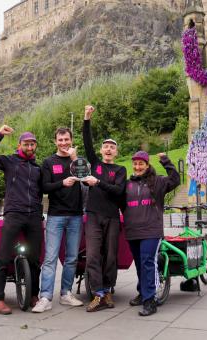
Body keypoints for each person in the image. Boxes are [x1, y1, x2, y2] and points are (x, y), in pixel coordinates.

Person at [0, 125, 43, 315]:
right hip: (14, 213)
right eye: (26, 144)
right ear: (20, 145)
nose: (30, 147)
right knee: (3, 257)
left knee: (35, 260)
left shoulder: (37, 168)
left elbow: (46, 188)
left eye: (33, 144)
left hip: (34, 215)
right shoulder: (9, 162)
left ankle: (34, 295)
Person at [80, 105, 127, 312]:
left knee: (110, 256)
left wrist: (97, 183)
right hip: (93, 215)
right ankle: (97, 293)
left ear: (116, 152)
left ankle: (108, 291)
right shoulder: (95, 163)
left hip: (112, 217)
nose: (108, 149)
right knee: (92, 256)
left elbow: (118, 191)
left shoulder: (120, 169)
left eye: (112, 147)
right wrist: (86, 119)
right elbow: (86, 142)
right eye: (105, 146)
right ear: (101, 150)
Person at [32, 127, 84, 313]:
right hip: (55, 215)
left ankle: (65, 294)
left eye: (66, 140)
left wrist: (74, 158)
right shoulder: (48, 162)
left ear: (71, 140)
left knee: (71, 258)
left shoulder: (76, 160)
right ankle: (45, 297)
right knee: (50, 258)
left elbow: (85, 178)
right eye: (60, 140)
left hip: (76, 215)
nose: (63, 143)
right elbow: (45, 187)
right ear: (55, 142)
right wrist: (62, 182)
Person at [124, 151, 180, 316]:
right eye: (135, 163)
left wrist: (166, 161)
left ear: (147, 165)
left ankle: (150, 300)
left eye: (141, 163)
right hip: (133, 231)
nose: (137, 166)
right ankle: (143, 293)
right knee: (140, 263)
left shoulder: (158, 181)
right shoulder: (128, 184)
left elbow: (175, 179)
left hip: (151, 230)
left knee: (148, 262)